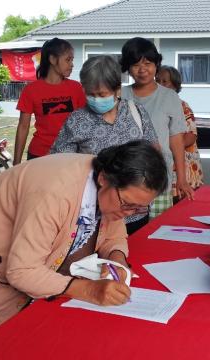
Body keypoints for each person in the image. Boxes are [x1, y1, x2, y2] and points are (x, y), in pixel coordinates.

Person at [0, 140, 168, 349]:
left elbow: (114, 233)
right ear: (104, 179)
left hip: (21, 252)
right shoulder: (56, 191)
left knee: (22, 335)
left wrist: (117, 261)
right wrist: (88, 290)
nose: (128, 213)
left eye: (138, 209)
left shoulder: (111, 193)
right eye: (127, 204)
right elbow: (21, 271)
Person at [51, 55, 159, 234]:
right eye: (90, 94)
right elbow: (60, 165)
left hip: (135, 213)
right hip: (93, 215)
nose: (95, 99)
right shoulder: (77, 120)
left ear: (117, 89)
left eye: (101, 94)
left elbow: (153, 152)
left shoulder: (136, 112)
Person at [119, 37, 194, 219]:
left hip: (160, 178)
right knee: (126, 234)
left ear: (156, 64)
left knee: (157, 231)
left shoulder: (169, 97)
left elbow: (176, 140)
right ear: (127, 67)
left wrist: (182, 180)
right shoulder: (119, 94)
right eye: (136, 64)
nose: (142, 69)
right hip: (125, 179)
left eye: (148, 63)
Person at [13, 37, 86, 165]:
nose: (72, 64)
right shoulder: (31, 90)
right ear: (52, 59)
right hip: (39, 155)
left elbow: (85, 123)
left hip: (69, 154)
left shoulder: (76, 88)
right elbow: (23, 127)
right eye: (68, 60)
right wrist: (16, 162)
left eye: (72, 60)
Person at [156, 65, 203, 201]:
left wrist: (167, 143)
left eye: (164, 81)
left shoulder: (182, 106)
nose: (159, 84)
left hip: (182, 175)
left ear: (175, 85)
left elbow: (190, 136)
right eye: (157, 80)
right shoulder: (154, 106)